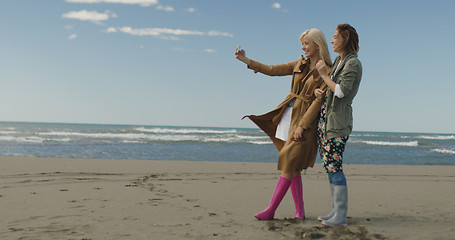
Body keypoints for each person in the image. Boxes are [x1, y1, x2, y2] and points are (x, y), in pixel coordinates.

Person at [235, 29, 331, 220]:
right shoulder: (298, 64)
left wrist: (302, 126)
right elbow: (271, 70)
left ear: (317, 45)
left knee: (288, 160)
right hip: (287, 117)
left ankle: (270, 210)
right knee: (293, 166)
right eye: (302, 44)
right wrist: (246, 61)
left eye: (306, 43)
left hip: (304, 122)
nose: (303, 47)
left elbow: (318, 102)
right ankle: (300, 212)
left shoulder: (326, 70)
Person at [314, 23, 362, 226]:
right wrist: (322, 91)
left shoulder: (353, 63)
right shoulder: (339, 61)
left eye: (335, 37)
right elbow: (334, 90)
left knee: (335, 166)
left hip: (338, 124)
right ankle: (335, 211)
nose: (332, 40)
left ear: (345, 39)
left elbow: (342, 91)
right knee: (330, 167)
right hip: (327, 123)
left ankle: (340, 216)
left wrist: (324, 75)